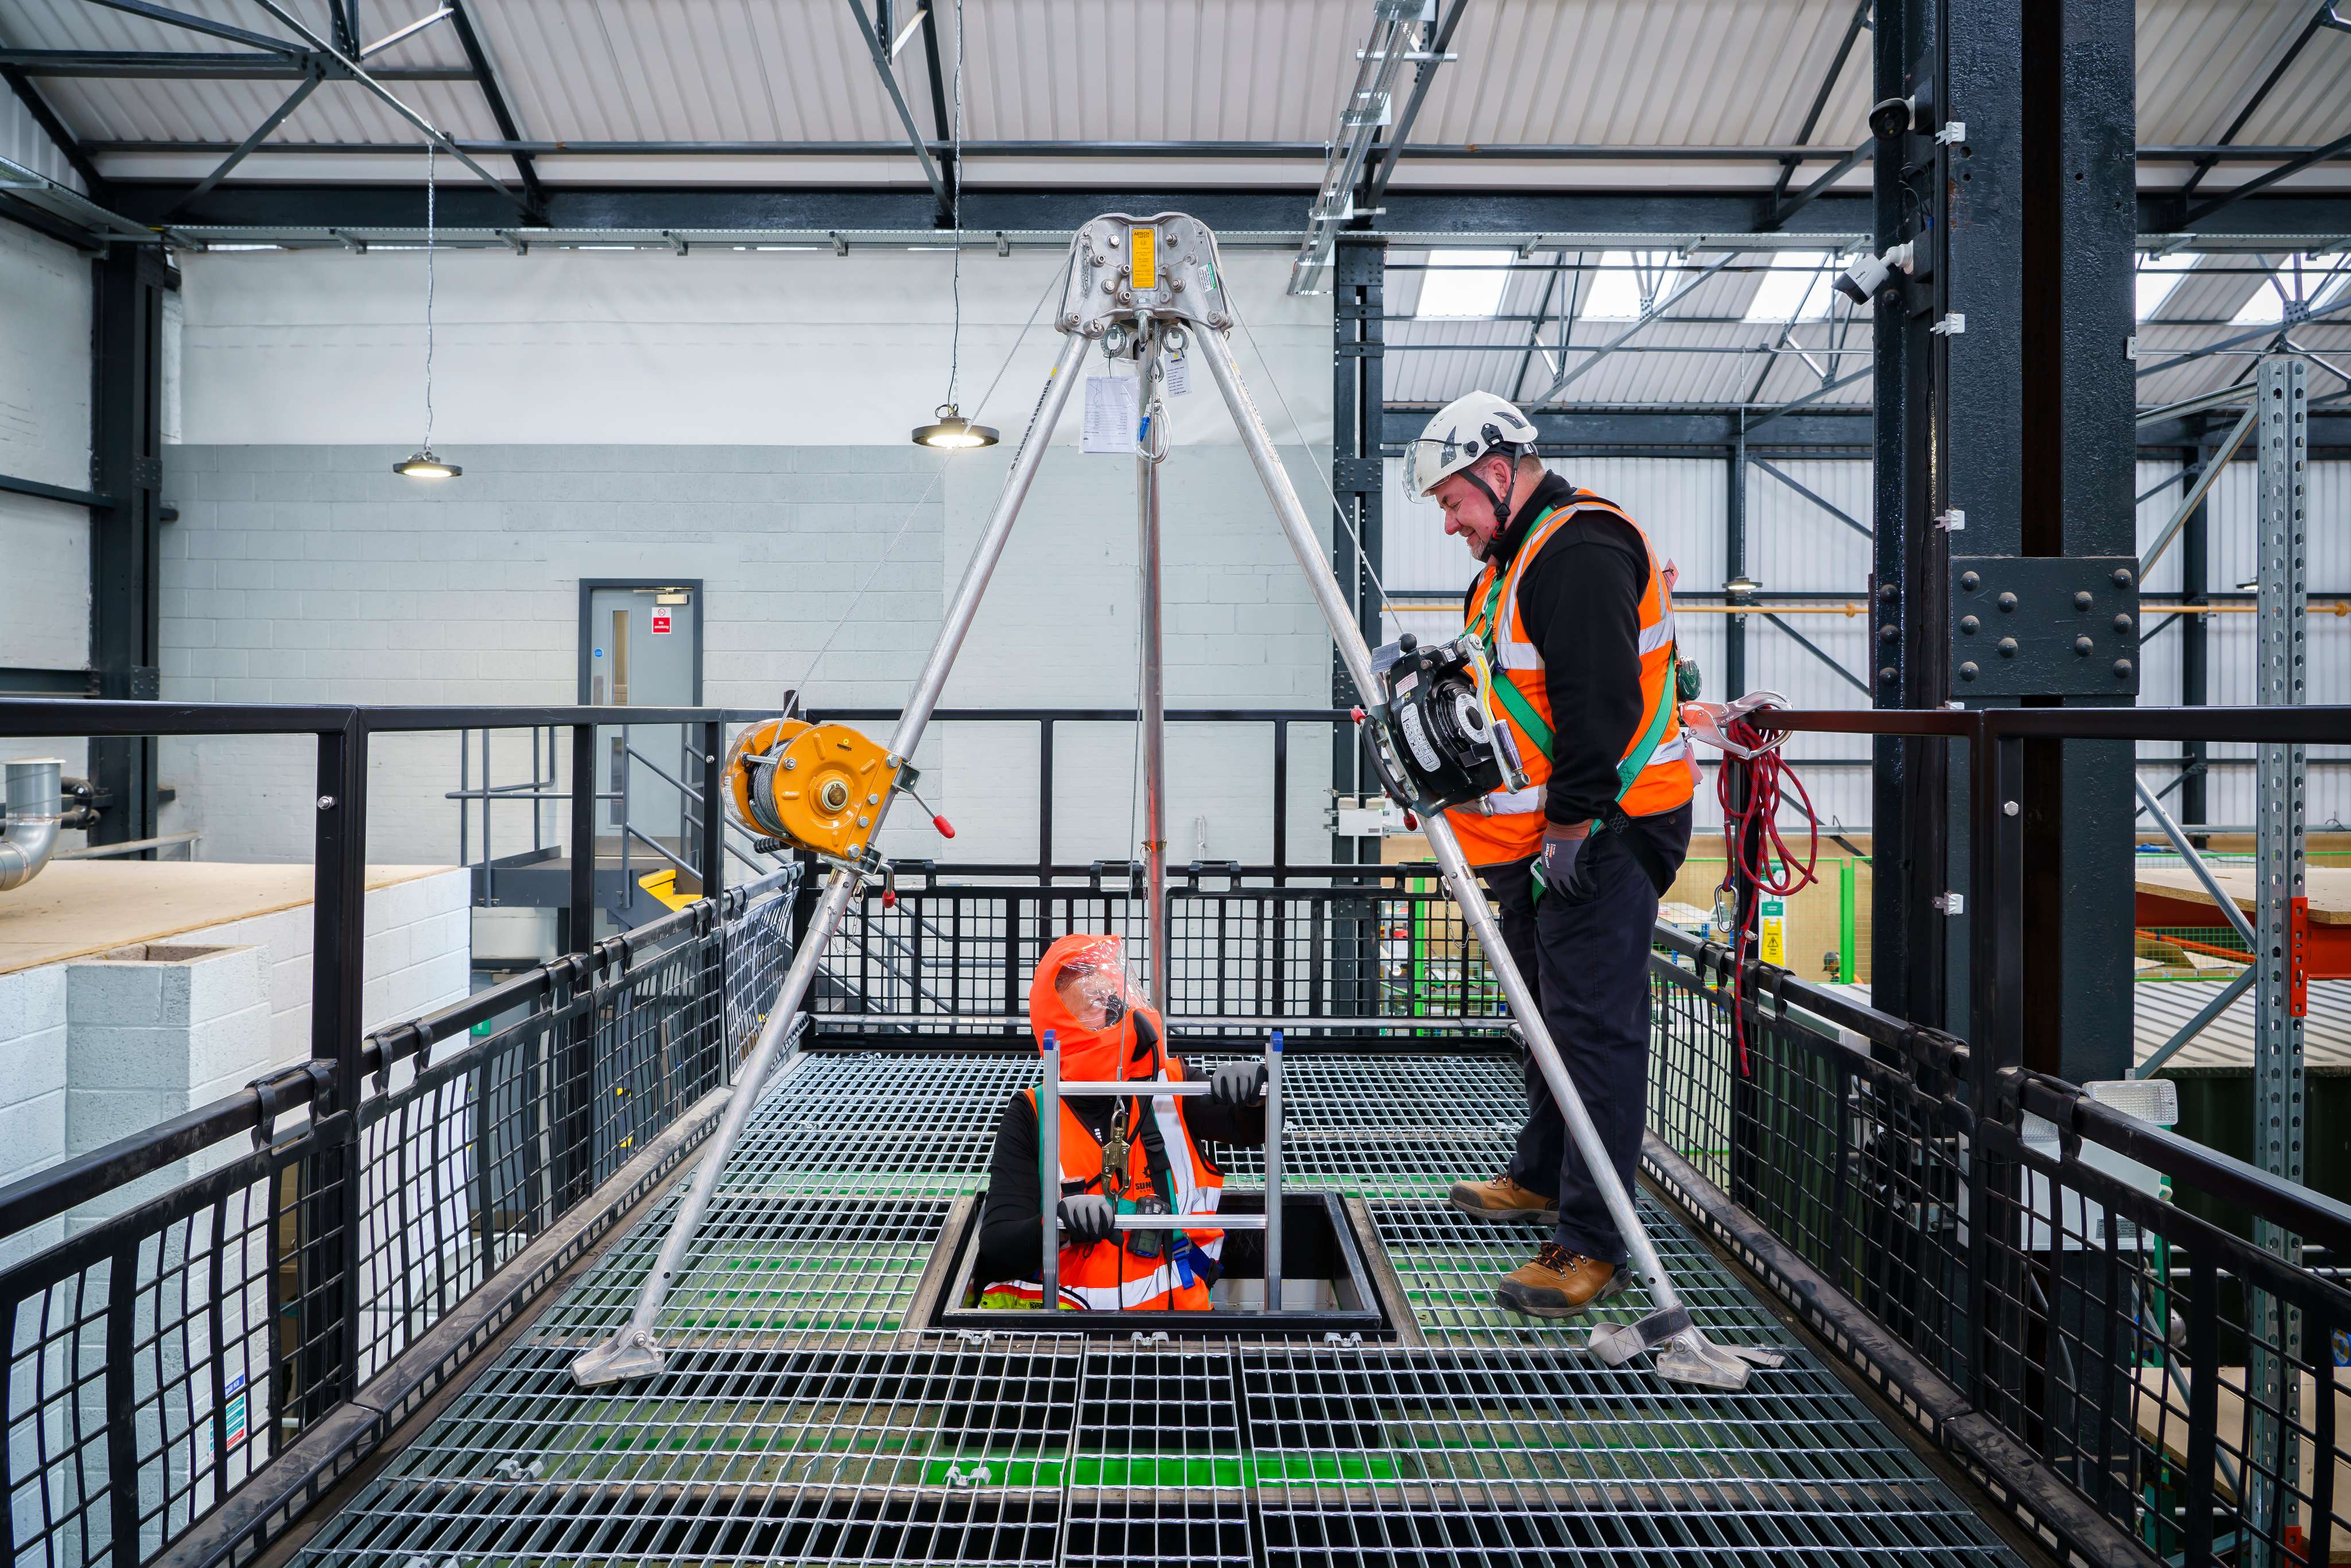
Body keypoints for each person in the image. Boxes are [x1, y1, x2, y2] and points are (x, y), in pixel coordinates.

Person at [1409, 391, 1696, 1319]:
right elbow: (1506, 701)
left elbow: (1601, 704)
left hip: (1603, 832)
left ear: (1498, 472)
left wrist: (1571, 828)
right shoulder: (1513, 562)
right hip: (1547, 840)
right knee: (1544, 1019)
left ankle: (1591, 1241)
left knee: (1593, 1033)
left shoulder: (1577, 552)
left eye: (1453, 500)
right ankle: (1540, 1174)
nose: (1449, 522)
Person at [974, 933, 1266, 1310]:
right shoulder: (1032, 1114)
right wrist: (1057, 1224)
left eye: (1114, 997)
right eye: (1097, 1003)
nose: (1118, 1010)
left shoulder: (1171, 1086)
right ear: (1064, 1026)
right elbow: (999, 1248)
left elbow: (1251, 1128)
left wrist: (1255, 1096)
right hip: (1070, 1333)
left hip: (1182, 1326)